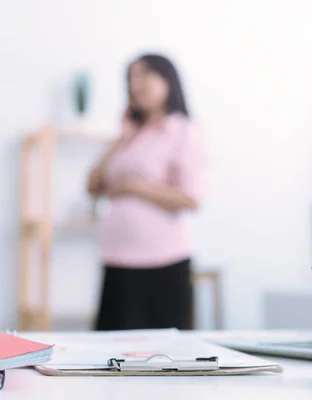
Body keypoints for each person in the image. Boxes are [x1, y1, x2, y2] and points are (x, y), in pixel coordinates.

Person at [88, 53, 207, 331]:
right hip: (117, 260)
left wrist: (134, 187)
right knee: (109, 351)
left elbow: (191, 198)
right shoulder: (129, 135)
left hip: (162, 264)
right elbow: (93, 184)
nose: (136, 83)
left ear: (167, 80)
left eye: (144, 75)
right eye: (131, 77)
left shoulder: (184, 131)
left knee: (161, 355)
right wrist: (123, 137)